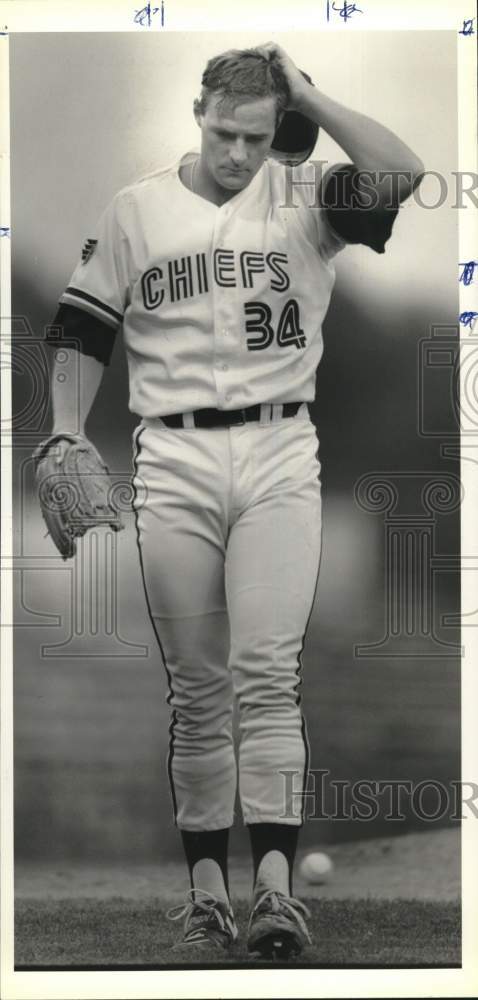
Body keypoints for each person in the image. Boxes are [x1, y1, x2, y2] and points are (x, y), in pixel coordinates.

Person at [46, 43, 423, 958]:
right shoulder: (137, 209)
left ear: (277, 128)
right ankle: (208, 892)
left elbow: (404, 173)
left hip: (279, 451)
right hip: (170, 456)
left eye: (257, 136)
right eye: (224, 132)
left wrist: (311, 95)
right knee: (199, 688)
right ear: (197, 113)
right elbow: (81, 327)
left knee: (268, 674)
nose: (237, 154)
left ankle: (277, 892)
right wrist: (61, 432)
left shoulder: (309, 195)